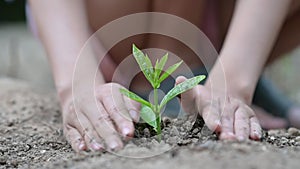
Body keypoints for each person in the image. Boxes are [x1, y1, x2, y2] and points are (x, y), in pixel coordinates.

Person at [28, 0, 300, 152]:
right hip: (108, 25)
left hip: (217, 23)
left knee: (232, 78)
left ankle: (226, 72)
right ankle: (168, 72)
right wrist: (77, 82)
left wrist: (236, 78)